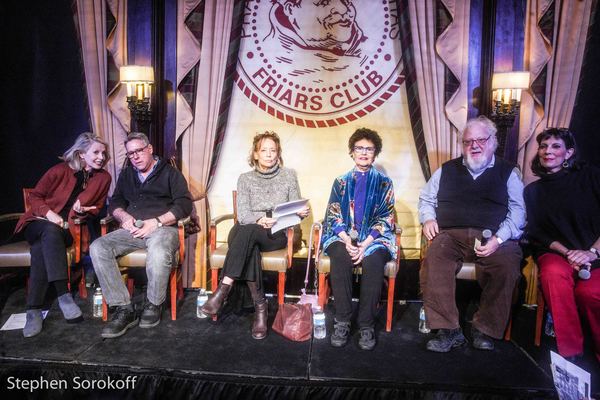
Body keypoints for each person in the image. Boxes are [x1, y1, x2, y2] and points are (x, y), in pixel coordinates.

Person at [418, 115, 525, 352]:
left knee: (506, 266)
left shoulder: (508, 172)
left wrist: (498, 239)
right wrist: (428, 218)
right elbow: (426, 199)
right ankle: (449, 330)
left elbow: (518, 212)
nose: (474, 146)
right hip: (452, 234)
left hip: (495, 236)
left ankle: (485, 328)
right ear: (462, 144)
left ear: (493, 141)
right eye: (468, 142)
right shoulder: (446, 170)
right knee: (435, 257)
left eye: (481, 140)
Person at [201, 131, 309, 339]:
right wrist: (259, 220)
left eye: (273, 150)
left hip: (277, 232)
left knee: (245, 234)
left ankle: (223, 289)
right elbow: (243, 214)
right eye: (264, 150)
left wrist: (300, 213)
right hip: (251, 227)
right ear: (256, 154)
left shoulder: (289, 175)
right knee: (249, 235)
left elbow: (294, 209)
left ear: (278, 154)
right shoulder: (245, 179)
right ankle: (261, 307)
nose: (269, 155)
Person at [90, 132, 192, 339]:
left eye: (138, 151)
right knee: (98, 247)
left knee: (158, 249)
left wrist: (156, 222)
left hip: (162, 227)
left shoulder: (170, 173)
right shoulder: (127, 175)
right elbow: (116, 202)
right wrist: (124, 217)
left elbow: (184, 204)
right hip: (133, 229)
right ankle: (123, 308)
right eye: (130, 153)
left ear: (150, 149)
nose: (135, 156)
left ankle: (153, 304)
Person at [15, 132, 112, 337]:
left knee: (43, 245)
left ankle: (33, 309)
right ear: (81, 153)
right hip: (37, 223)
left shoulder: (104, 178)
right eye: (96, 152)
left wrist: (86, 210)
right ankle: (64, 295)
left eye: (103, 153)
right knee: (48, 231)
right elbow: (35, 196)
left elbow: (99, 207)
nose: (101, 157)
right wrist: (49, 214)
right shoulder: (59, 170)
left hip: (67, 229)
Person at [524, 128, 600, 362]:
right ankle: (571, 352)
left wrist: (591, 252)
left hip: (595, 252)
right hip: (557, 252)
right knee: (553, 275)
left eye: (556, 146)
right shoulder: (533, 191)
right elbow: (536, 232)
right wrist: (569, 253)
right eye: (544, 147)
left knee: (590, 293)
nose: (548, 152)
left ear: (569, 153)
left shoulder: (591, 177)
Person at [321, 128, 396, 351]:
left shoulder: (384, 182)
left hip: (375, 238)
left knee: (373, 261)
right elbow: (333, 214)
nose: (364, 153)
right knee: (340, 255)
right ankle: (342, 321)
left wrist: (366, 244)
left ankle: (366, 325)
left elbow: (386, 217)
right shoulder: (340, 181)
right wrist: (345, 239)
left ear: (375, 153)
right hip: (342, 235)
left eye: (369, 149)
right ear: (352, 152)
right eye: (359, 148)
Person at [265, 0, 366, 58]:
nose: (344, 9)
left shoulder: (366, 50)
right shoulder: (272, 54)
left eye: (347, 1)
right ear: (290, 9)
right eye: (325, 2)